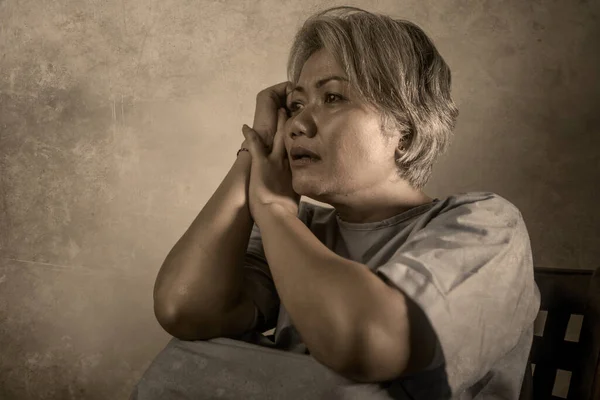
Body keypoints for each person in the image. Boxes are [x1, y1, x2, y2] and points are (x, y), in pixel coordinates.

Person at [132, 6, 540, 400]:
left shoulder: (486, 225)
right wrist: (255, 147)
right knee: (182, 354)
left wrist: (273, 210)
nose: (297, 125)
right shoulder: (301, 227)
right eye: (294, 106)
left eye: (332, 98)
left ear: (407, 129)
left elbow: (366, 341)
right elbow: (182, 308)